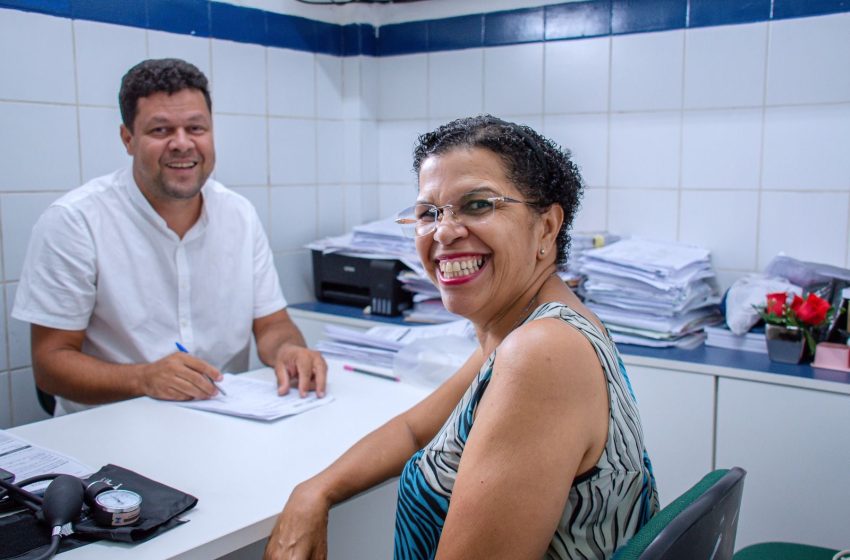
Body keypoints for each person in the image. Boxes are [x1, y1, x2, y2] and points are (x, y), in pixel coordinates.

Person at [264, 115, 658, 559]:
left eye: (477, 205)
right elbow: (415, 432)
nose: (444, 231)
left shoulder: (541, 351)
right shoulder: (523, 332)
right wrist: (314, 491)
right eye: (428, 213)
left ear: (546, 227)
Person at [12, 58, 326, 416]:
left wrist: (288, 350)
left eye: (196, 128)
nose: (182, 144)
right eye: (160, 131)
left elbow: (272, 325)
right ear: (128, 139)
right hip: (111, 427)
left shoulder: (239, 214)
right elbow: (50, 365)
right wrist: (144, 378)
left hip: (224, 420)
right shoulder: (75, 222)